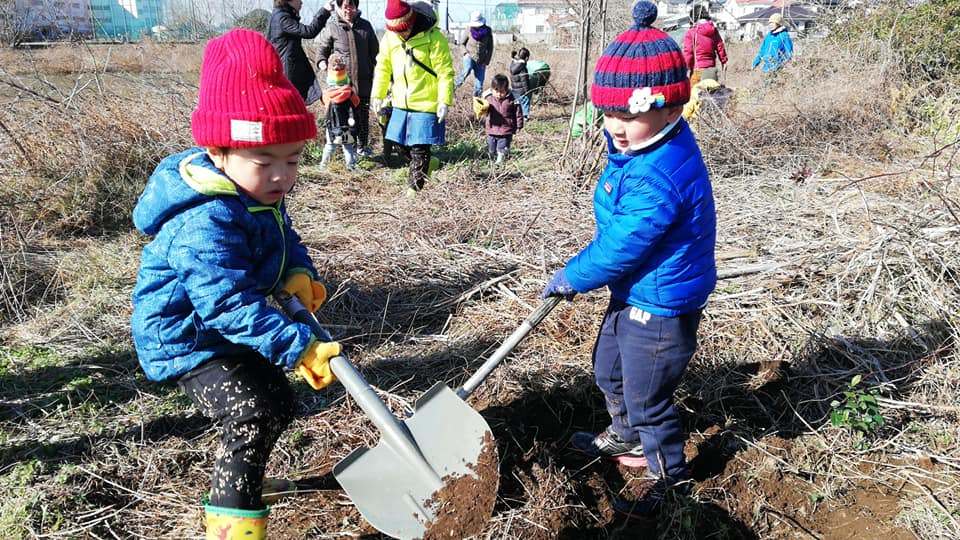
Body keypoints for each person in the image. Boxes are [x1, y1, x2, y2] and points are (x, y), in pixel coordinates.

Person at [130, 29, 343, 538]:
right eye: (265, 161)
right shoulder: (203, 219)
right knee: (253, 411)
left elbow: (283, 236)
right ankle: (232, 525)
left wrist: (298, 272)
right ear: (218, 151)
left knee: (277, 401)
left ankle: (241, 483)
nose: (281, 176)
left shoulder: (255, 191)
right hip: (187, 340)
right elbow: (226, 303)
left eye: (293, 160)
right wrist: (298, 345)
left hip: (224, 329)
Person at [540, 1, 716, 518]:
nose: (616, 127)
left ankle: (670, 479)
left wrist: (574, 275)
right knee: (608, 367)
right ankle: (627, 435)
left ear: (671, 110)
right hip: (636, 288)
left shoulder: (659, 171)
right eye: (609, 113)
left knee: (647, 397)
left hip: (661, 302)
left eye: (630, 116)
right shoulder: (640, 149)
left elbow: (624, 244)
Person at [371, 0, 454, 195]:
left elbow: (445, 72)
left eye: (404, 30)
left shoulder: (434, 38)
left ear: (411, 22)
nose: (402, 34)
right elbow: (383, 67)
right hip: (400, 102)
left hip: (427, 103)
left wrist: (444, 100)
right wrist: (378, 95)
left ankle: (413, 192)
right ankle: (429, 163)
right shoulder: (390, 37)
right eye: (397, 32)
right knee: (398, 143)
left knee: (419, 150)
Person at [314, 0, 379, 156]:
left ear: (356, 7)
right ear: (339, 7)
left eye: (351, 6)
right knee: (345, 119)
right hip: (343, 85)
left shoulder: (365, 26)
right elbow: (322, 50)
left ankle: (362, 147)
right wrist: (322, 62)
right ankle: (349, 153)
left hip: (364, 82)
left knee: (363, 116)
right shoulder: (333, 26)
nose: (348, 10)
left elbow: (375, 52)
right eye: (345, 7)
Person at [268, 0, 334, 104]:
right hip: (287, 72)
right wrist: (324, 11)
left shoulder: (281, 15)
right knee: (290, 104)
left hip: (286, 69)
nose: (301, 2)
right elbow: (309, 32)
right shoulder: (283, 18)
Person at [320, 54, 360, 169]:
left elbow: (324, 104)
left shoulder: (326, 93)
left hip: (332, 124)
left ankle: (323, 166)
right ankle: (350, 166)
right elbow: (357, 102)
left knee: (330, 145)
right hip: (347, 124)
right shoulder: (349, 92)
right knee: (348, 146)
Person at [478, 74, 523, 164]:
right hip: (492, 128)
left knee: (502, 146)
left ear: (507, 90)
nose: (499, 94)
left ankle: (500, 160)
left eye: (502, 91)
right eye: (496, 91)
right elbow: (483, 111)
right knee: (491, 147)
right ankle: (492, 157)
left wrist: (519, 125)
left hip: (506, 129)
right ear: (492, 89)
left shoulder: (513, 98)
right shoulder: (488, 98)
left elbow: (518, 112)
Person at [682, 3, 728, 88]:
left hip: (697, 70)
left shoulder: (692, 32)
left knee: (694, 94)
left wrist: (686, 68)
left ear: (692, 17)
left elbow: (688, 52)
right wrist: (724, 61)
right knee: (711, 94)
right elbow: (720, 47)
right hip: (711, 70)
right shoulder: (714, 31)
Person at [454, 11, 494, 97]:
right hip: (469, 56)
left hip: (481, 59)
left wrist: (486, 61)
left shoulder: (488, 30)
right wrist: (465, 53)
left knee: (479, 84)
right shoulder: (468, 29)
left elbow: (490, 47)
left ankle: (476, 99)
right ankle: (453, 87)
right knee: (466, 70)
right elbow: (461, 44)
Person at [509, 47, 532, 120]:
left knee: (517, 103)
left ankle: (517, 116)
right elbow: (524, 80)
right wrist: (527, 91)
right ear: (527, 58)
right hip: (522, 90)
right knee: (525, 101)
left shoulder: (513, 64)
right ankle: (525, 116)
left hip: (515, 89)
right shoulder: (522, 67)